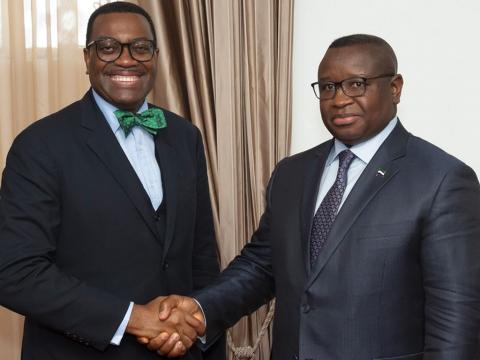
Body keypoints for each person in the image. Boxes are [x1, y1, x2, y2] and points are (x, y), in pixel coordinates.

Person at [152, 34, 480, 359]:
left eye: (356, 84)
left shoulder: (442, 180)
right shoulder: (291, 174)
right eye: (327, 87)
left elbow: (456, 324)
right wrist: (198, 309)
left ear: (394, 88)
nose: (339, 99)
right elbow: (261, 267)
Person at [0, 2, 224, 359]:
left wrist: (197, 328)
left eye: (140, 47)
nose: (125, 59)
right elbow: (15, 273)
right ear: (86, 59)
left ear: (155, 55)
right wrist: (134, 319)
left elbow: (200, 259)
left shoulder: (185, 136)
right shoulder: (39, 145)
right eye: (108, 47)